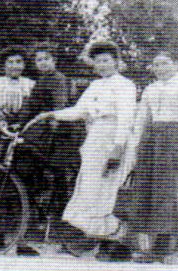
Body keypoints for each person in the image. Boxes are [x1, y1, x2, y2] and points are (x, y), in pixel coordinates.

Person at [44, 41, 139, 250]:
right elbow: (79, 111)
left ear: (116, 61)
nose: (102, 65)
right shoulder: (95, 86)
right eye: (97, 62)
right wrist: (52, 114)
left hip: (113, 138)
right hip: (95, 139)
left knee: (105, 189)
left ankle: (119, 235)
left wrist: (117, 148)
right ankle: (101, 238)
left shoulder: (125, 85)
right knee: (89, 188)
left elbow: (126, 119)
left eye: (106, 60)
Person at [118, 51, 178, 261]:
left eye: (165, 63)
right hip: (151, 141)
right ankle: (147, 245)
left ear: (177, 64)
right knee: (147, 189)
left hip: (175, 140)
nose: (160, 68)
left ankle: (168, 246)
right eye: (156, 65)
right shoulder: (150, 88)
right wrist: (135, 147)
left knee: (169, 190)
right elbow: (141, 119)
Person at [15, 42, 81, 228]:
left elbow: (59, 105)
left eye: (46, 59)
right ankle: (38, 204)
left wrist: (53, 123)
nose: (42, 63)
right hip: (43, 131)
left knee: (55, 172)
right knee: (25, 162)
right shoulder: (42, 80)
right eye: (38, 60)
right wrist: (17, 122)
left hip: (57, 133)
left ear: (54, 60)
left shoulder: (57, 79)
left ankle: (55, 214)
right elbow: (30, 107)